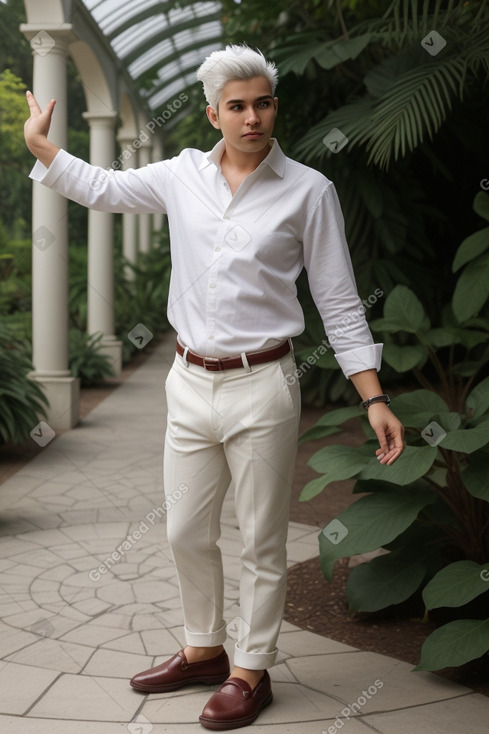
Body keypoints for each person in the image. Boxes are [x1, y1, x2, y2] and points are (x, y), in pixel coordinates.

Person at [24, 44, 404, 730]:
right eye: (237, 106)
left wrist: (372, 396)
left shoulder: (308, 190)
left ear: (273, 106)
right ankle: (203, 648)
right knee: (183, 530)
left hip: (263, 383)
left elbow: (340, 302)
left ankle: (250, 670)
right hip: (188, 382)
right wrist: (43, 148)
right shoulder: (181, 176)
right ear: (212, 113)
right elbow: (105, 188)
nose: (252, 116)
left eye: (262, 103)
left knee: (259, 539)